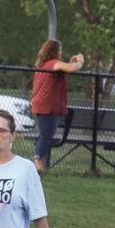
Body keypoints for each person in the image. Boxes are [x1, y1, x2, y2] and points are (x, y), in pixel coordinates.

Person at [31, 39, 85, 172]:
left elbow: (66, 69)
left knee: (45, 134)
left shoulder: (46, 65)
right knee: (46, 135)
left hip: (42, 104)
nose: (62, 52)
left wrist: (70, 63)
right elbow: (72, 69)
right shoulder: (53, 63)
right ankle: (37, 161)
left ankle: (40, 162)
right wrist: (80, 62)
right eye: (60, 49)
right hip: (47, 106)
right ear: (54, 51)